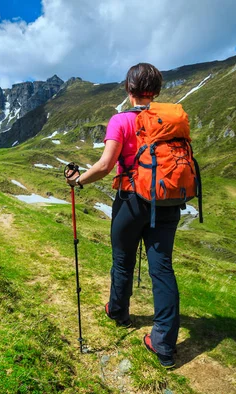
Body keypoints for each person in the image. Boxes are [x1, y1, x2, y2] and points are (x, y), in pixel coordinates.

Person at [66, 62, 181, 368]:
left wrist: (77, 180)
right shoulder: (171, 121)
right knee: (163, 269)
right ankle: (164, 345)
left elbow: (105, 166)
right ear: (156, 91)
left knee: (122, 260)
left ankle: (119, 313)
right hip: (167, 202)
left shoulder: (120, 121)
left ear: (129, 90)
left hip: (132, 201)